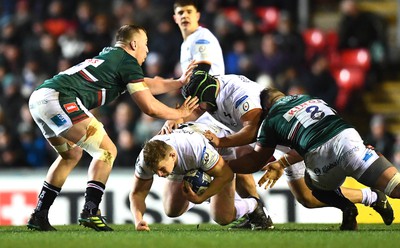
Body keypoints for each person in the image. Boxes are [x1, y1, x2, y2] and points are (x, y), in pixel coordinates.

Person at [26, 24, 199, 232]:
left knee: (71, 155)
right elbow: (149, 108)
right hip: (60, 99)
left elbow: (147, 84)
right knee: (107, 150)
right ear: (134, 44)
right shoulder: (127, 61)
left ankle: (39, 214)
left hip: (40, 99)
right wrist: (179, 114)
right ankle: (90, 211)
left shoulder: (112, 57)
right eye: (145, 45)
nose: (147, 50)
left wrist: (179, 83)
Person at [181, 71, 394, 229]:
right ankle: (372, 196)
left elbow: (254, 147)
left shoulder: (255, 109)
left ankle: (354, 202)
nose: (199, 108)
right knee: (307, 198)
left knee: (313, 190)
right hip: (339, 138)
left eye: (199, 103)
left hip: (307, 148)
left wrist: (219, 158)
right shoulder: (308, 98)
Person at [228, 88, 397, 230]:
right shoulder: (312, 99)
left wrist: (224, 166)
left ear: (265, 108)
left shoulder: (270, 120)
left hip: (322, 159)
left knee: (311, 185)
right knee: (395, 186)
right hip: (349, 140)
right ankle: (373, 192)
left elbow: (256, 160)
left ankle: (346, 206)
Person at [172, 0, 266, 228]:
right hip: (210, 111)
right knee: (232, 163)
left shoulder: (201, 38)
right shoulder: (186, 44)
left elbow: (202, 72)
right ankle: (257, 213)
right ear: (175, 18)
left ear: (198, 15)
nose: (184, 16)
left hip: (211, 109)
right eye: (180, 12)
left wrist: (180, 114)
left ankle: (253, 210)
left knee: (224, 163)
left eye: (188, 11)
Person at [130, 117, 271, 231]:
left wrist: (201, 197)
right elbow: (138, 193)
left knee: (222, 217)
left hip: (219, 148)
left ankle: (254, 205)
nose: (159, 175)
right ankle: (212, 196)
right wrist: (138, 219)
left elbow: (226, 175)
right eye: (155, 171)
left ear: (172, 156)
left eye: (161, 169)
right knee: (172, 210)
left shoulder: (196, 149)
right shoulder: (147, 158)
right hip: (190, 153)